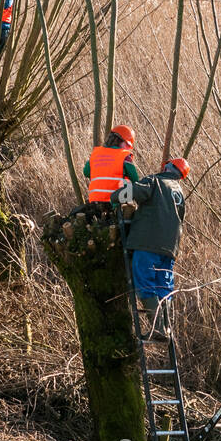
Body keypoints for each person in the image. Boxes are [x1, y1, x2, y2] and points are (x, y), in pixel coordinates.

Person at [121, 158, 189, 341]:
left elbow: (133, 192)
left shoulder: (155, 181)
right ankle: (166, 327)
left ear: (169, 167)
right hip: (169, 248)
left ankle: (158, 328)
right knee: (163, 287)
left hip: (148, 243)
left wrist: (115, 196)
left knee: (144, 282)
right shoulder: (179, 193)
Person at [84, 125, 139, 202]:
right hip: (116, 202)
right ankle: (127, 208)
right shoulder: (124, 156)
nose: (128, 148)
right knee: (127, 181)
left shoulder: (96, 154)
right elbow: (135, 179)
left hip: (94, 201)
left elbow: (86, 172)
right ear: (119, 140)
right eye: (127, 144)